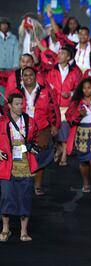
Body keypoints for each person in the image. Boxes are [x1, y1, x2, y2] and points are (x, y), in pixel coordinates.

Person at [8, 67, 60, 196]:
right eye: (25, 75)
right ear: (22, 77)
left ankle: (37, 186)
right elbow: (8, 109)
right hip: (21, 130)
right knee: (21, 157)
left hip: (41, 128)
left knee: (39, 158)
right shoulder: (16, 92)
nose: (28, 77)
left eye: (30, 75)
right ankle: (21, 184)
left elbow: (54, 109)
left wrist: (55, 125)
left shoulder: (46, 91)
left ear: (35, 76)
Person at [0, 93, 39, 242]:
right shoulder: (2, 122)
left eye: (21, 104)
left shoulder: (30, 122)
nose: (20, 106)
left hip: (25, 163)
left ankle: (24, 231)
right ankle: (5, 229)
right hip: (6, 165)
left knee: (25, 196)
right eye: (16, 104)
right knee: (6, 197)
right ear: (9, 105)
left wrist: (33, 147)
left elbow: (35, 138)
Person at [46, 46, 83, 166]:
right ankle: (60, 148)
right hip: (54, 106)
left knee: (65, 129)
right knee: (55, 130)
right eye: (59, 53)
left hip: (67, 107)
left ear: (68, 57)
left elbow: (79, 90)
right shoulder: (52, 71)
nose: (59, 55)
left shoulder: (75, 72)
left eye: (62, 53)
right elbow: (48, 87)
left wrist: (70, 94)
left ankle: (63, 154)